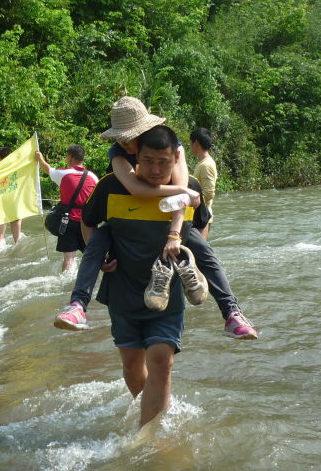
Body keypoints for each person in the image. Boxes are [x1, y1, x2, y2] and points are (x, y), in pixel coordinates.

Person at [54, 97, 257, 339]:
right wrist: (100, 257)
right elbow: (138, 190)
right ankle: (77, 305)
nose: (125, 142)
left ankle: (232, 312)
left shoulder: (173, 149)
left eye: (131, 136)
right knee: (99, 241)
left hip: (172, 222)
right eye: (121, 137)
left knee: (203, 250)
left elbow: (182, 193)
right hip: (124, 220)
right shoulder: (117, 157)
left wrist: (176, 237)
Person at [81, 125, 203, 428]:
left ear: (175, 158)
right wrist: (99, 258)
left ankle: (147, 437)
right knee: (133, 365)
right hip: (123, 289)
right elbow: (87, 222)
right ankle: (155, 407)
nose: (156, 168)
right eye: (148, 161)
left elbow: (201, 226)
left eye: (163, 162)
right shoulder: (112, 185)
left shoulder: (190, 187)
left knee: (162, 360)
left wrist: (192, 260)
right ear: (136, 156)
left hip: (166, 291)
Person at [35, 145, 99, 272]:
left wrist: (40, 158)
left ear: (70, 157)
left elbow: (47, 169)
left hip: (67, 221)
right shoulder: (94, 177)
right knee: (91, 257)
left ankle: (66, 284)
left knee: (69, 259)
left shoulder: (63, 174)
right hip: (88, 222)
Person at [190, 128, 217, 240]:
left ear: (195, 143)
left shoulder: (206, 165)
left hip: (202, 215)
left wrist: (192, 202)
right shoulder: (203, 163)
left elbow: (209, 192)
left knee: (200, 251)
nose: (190, 146)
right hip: (200, 214)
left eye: (190, 143)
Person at [0, 146, 22, 246]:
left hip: (0, 200)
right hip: (14, 199)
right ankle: (18, 248)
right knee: (17, 236)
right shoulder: (16, 167)